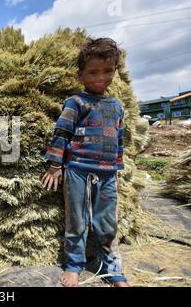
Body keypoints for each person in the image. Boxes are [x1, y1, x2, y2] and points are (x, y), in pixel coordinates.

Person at [42, 38, 130, 287]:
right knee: (77, 220)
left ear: (115, 71)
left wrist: (117, 167)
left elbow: (119, 139)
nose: (100, 77)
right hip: (78, 171)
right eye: (92, 72)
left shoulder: (117, 106)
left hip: (107, 174)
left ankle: (111, 267)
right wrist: (55, 165)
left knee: (107, 222)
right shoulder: (76, 102)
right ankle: (73, 265)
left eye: (107, 71)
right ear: (81, 75)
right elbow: (62, 133)